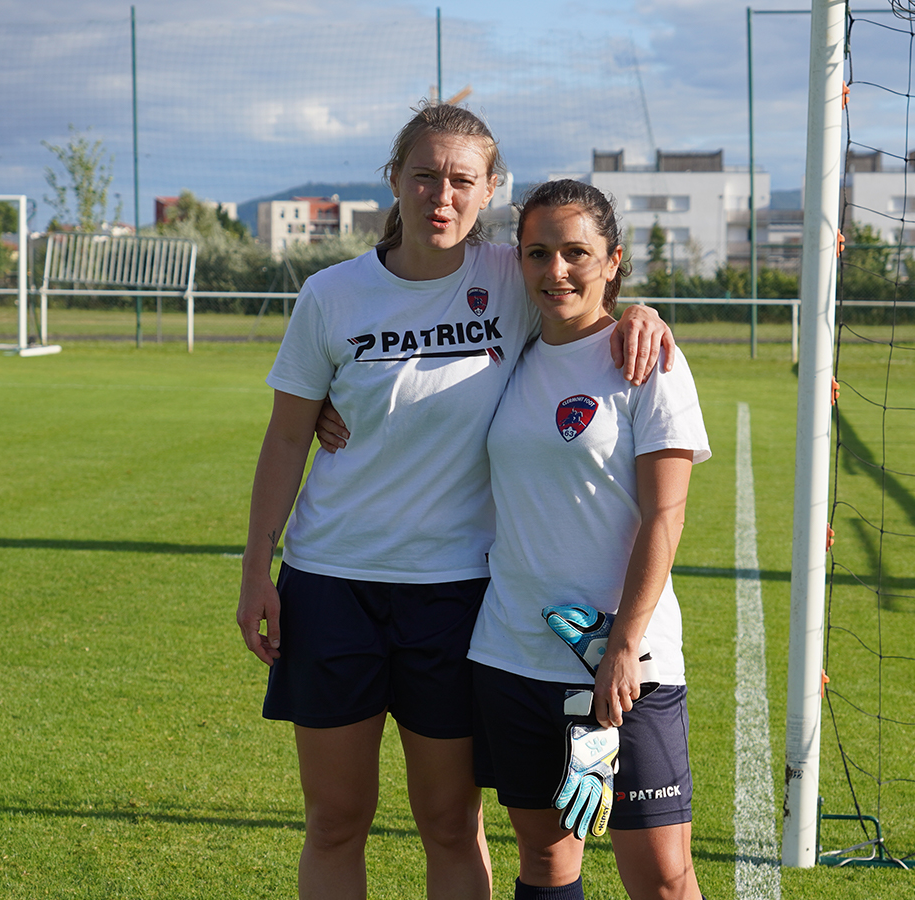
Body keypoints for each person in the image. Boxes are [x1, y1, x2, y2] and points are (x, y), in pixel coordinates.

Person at [236, 105, 675, 900]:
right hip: (331, 583)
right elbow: (285, 439)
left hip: (456, 597)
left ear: (489, 192)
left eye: (462, 180)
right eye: (425, 176)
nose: (442, 194)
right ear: (395, 182)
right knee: (336, 819)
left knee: (448, 822)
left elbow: (585, 292)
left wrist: (643, 311)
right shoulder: (331, 295)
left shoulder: (511, 276)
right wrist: (255, 570)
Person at [467, 179, 711, 900]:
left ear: (613, 260)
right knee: (546, 866)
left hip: (627, 664)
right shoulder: (505, 355)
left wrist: (622, 654)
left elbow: (665, 516)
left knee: (662, 877)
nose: (556, 270)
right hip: (513, 653)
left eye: (576, 252)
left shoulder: (646, 361)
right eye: (538, 252)